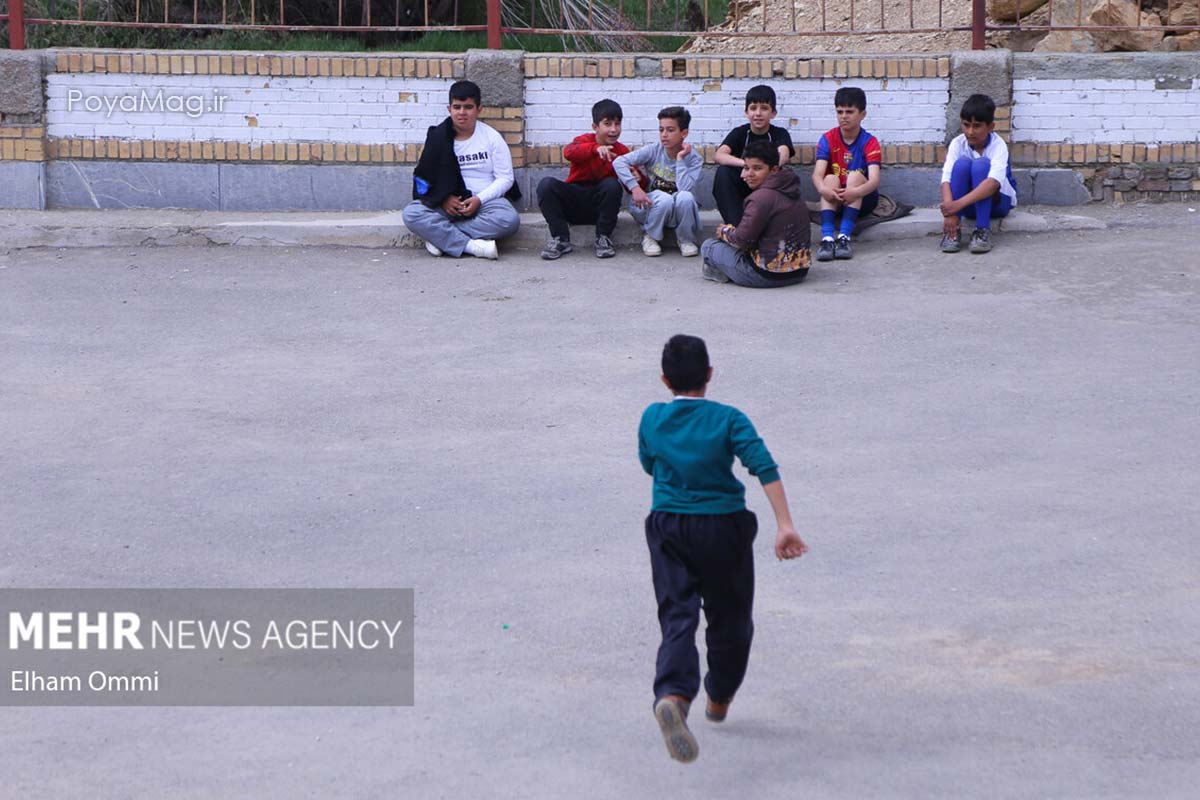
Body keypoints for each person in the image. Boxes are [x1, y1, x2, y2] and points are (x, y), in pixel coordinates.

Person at [638, 334, 809, 764]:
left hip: (668, 526)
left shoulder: (652, 419)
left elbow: (648, 464)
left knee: (677, 615)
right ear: (710, 375)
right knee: (731, 619)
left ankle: (674, 696)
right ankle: (719, 695)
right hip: (723, 528)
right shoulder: (729, 419)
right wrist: (785, 525)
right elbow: (763, 465)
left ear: (664, 380)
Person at [402, 80, 521, 260]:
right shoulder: (437, 138)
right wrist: (443, 199)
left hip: (485, 202)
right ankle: (471, 246)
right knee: (411, 214)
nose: (462, 112)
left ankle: (440, 238)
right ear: (449, 109)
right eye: (457, 107)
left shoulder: (492, 138)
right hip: (449, 203)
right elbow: (424, 178)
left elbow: (505, 179)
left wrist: (479, 200)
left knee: (509, 220)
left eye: (468, 107)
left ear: (479, 109)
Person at [699, 141, 811, 288]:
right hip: (799, 272)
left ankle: (721, 272)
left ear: (774, 170)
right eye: (746, 167)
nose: (748, 174)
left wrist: (725, 231)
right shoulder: (793, 190)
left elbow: (742, 240)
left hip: (764, 275)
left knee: (709, 246)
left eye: (757, 168)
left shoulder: (760, 198)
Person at [536, 99, 630, 260]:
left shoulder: (622, 151)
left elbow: (632, 186)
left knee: (612, 185)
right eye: (607, 124)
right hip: (574, 203)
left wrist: (637, 178)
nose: (613, 129)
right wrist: (595, 149)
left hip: (600, 209)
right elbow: (569, 152)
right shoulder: (584, 141)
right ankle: (561, 239)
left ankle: (603, 238)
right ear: (595, 127)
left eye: (617, 124)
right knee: (546, 185)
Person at [613, 106, 704, 258]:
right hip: (652, 208)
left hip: (678, 211)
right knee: (664, 198)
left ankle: (686, 240)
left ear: (684, 133)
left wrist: (680, 159)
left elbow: (684, 188)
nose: (664, 135)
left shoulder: (694, 160)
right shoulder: (654, 150)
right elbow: (619, 162)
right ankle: (650, 237)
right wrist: (635, 188)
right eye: (661, 130)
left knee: (686, 197)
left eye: (670, 130)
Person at [938, 93, 1017, 255]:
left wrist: (956, 205)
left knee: (981, 165)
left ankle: (982, 230)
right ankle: (953, 232)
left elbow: (993, 183)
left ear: (991, 127)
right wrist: (950, 211)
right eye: (966, 125)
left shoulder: (998, 145)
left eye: (977, 126)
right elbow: (946, 178)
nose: (970, 131)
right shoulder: (957, 143)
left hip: (998, 204)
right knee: (961, 165)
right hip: (967, 206)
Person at [811, 87, 882, 262]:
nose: (844, 116)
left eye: (849, 112)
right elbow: (817, 175)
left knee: (855, 176)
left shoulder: (870, 142)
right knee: (829, 178)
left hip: (863, 199)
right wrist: (823, 190)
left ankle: (844, 238)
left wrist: (855, 192)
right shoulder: (828, 138)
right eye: (840, 111)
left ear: (862, 114)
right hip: (835, 197)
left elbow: (874, 181)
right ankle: (827, 239)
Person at [712, 85, 795, 226]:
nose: (758, 113)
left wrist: (760, 169)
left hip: (768, 184)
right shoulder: (740, 133)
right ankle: (736, 227)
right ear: (746, 112)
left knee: (787, 176)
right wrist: (746, 166)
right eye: (753, 108)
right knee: (723, 173)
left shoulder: (779, 133)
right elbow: (719, 155)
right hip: (744, 184)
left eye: (764, 108)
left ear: (773, 113)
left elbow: (783, 156)